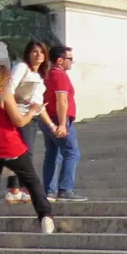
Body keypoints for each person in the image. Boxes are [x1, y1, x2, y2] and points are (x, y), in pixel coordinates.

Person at [0, 61, 55, 248]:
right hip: (10, 147)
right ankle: (45, 216)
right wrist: (33, 110)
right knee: (32, 181)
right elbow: (20, 121)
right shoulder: (4, 95)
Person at [4, 40, 53, 205]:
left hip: (32, 116)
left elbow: (38, 106)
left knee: (22, 153)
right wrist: (15, 105)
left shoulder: (39, 75)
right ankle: (20, 190)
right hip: (19, 114)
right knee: (23, 153)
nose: (38, 55)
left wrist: (51, 125)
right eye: (34, 51)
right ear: (28, 54)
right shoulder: (21, 67)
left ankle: (17, 190)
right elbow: (9, 89)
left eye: (41, 52)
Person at [41, 45, 82, 200]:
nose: (72, 62)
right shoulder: (60, 75)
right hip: (58, 119)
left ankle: (50, 190)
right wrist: (63, 124)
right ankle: (65, 189)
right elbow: (61, 100)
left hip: (47, 118)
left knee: (53, 154)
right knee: (71, 152)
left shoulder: (47, 75)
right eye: (69, 59)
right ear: (60, 60)